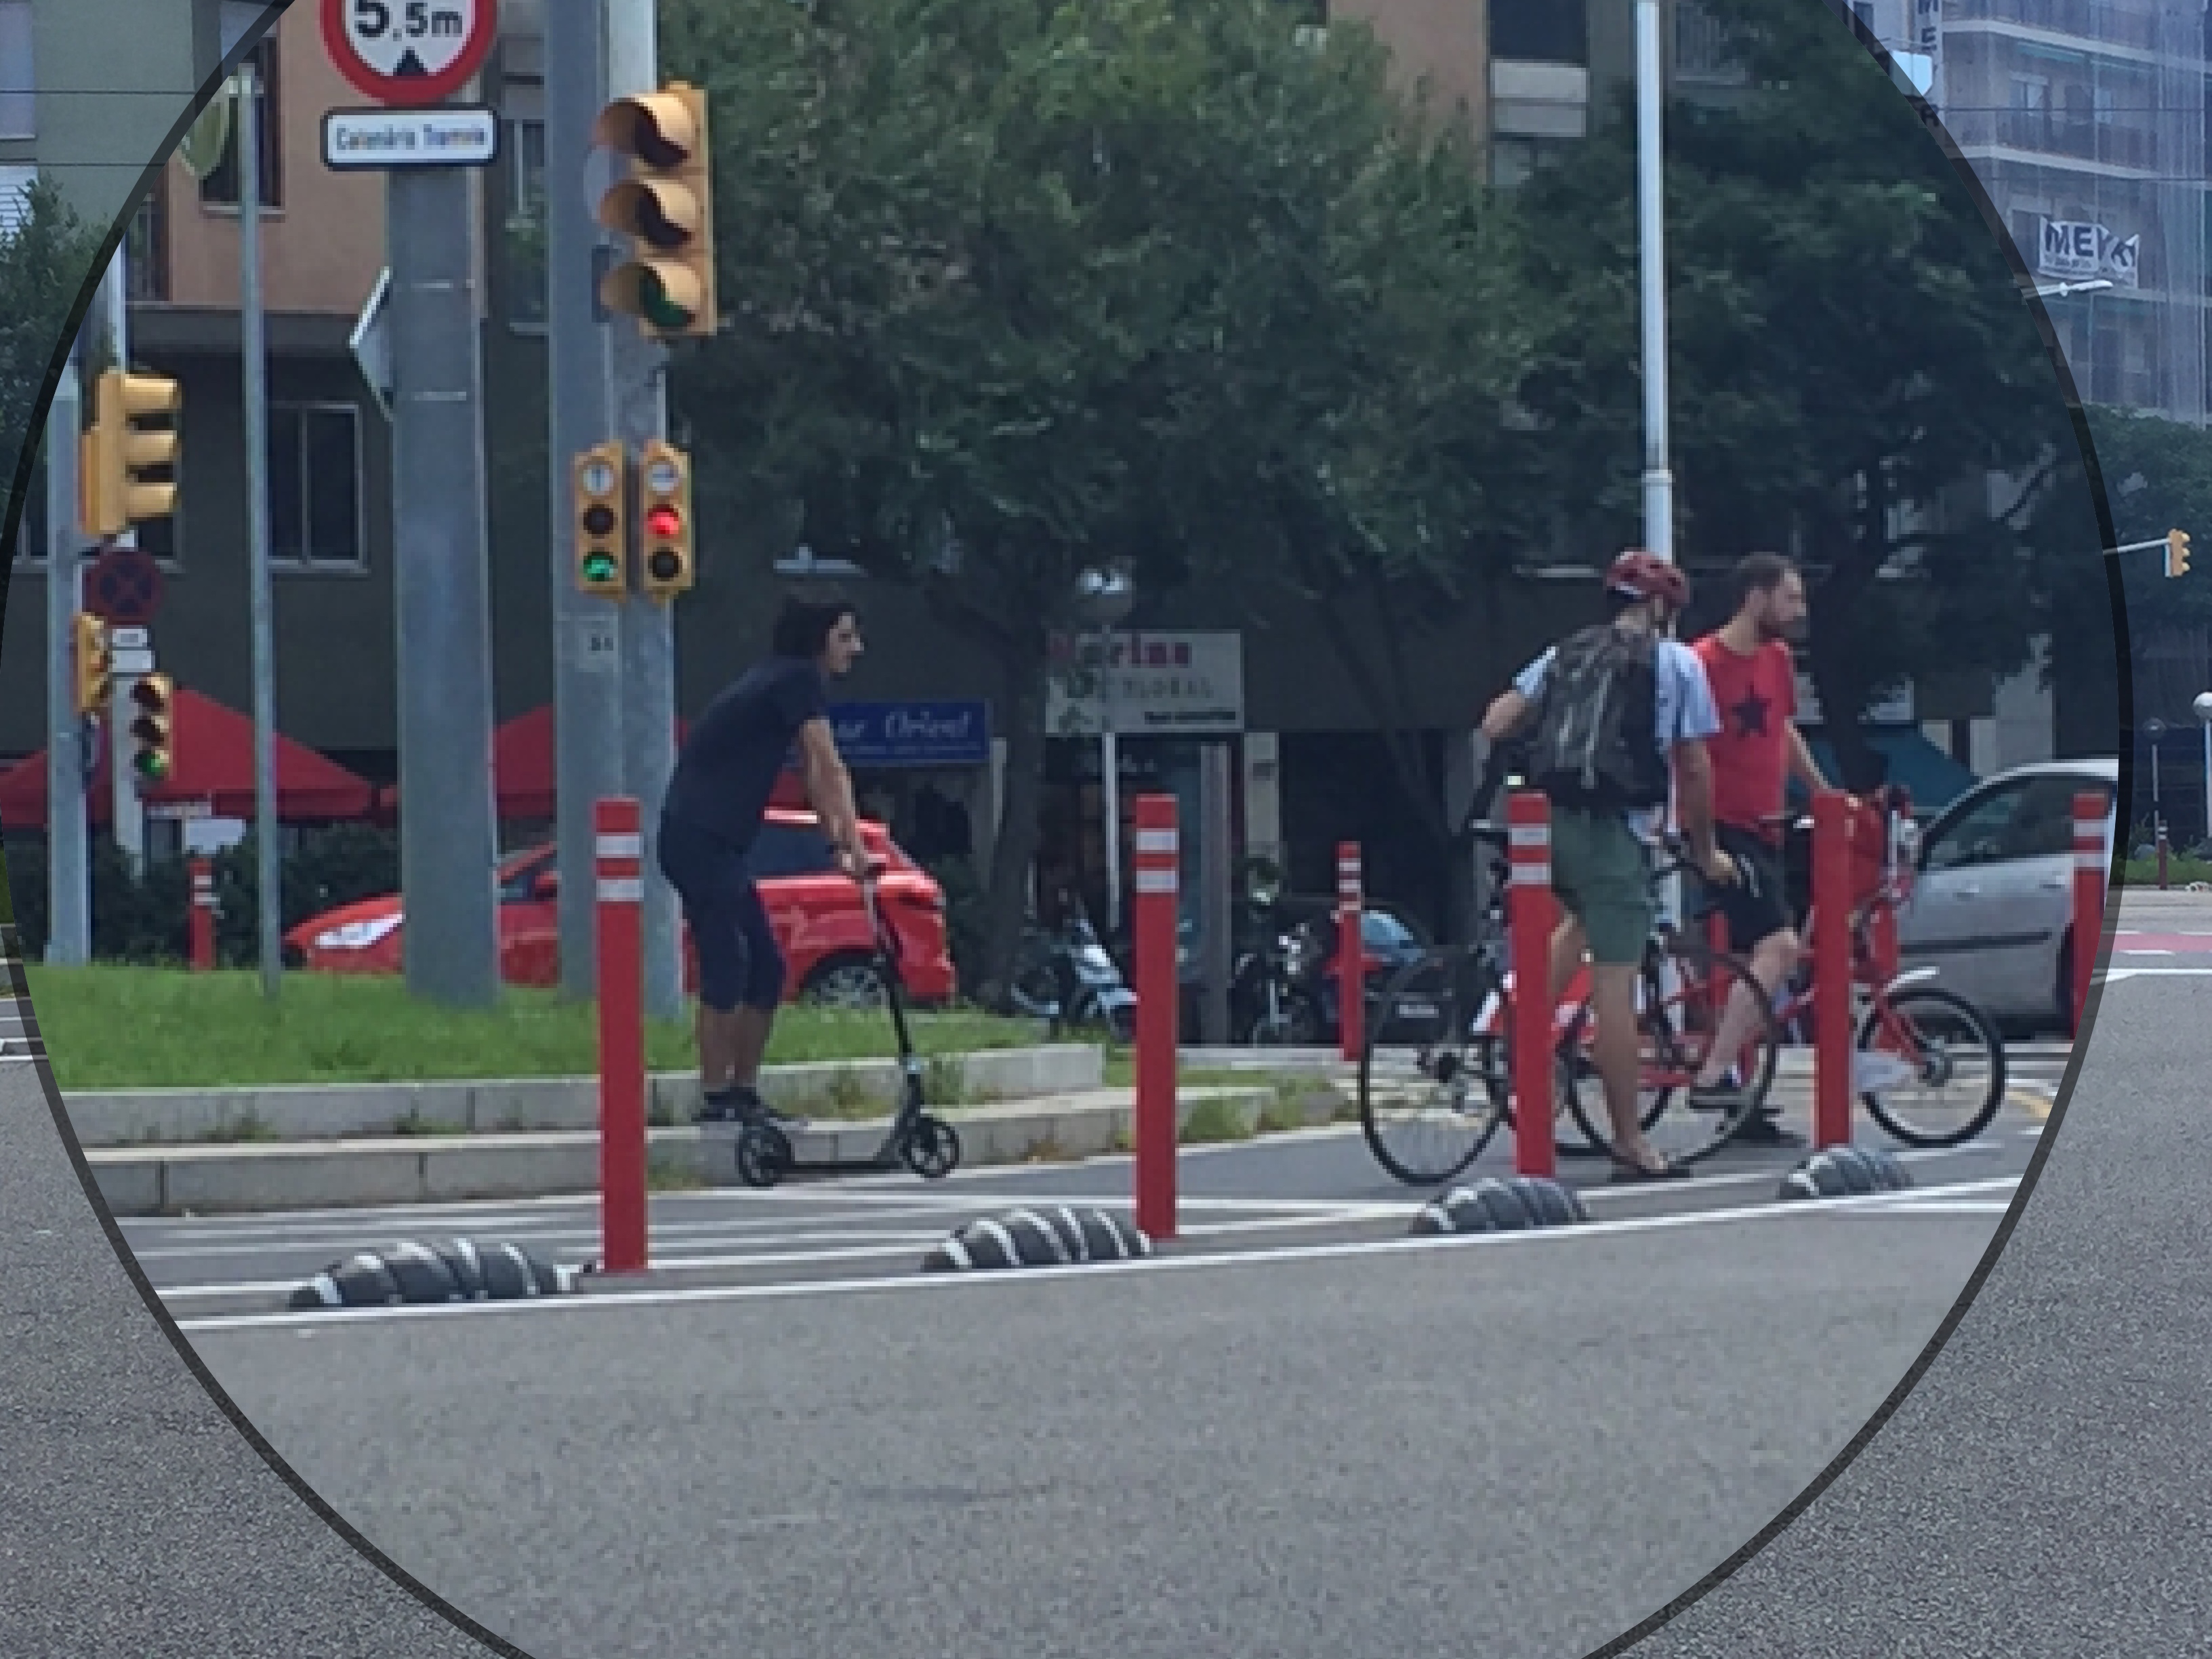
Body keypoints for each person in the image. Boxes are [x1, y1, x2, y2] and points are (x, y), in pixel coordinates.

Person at [1478, 549, 1735, 1183]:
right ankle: (1629, 1142)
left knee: (1578, 927)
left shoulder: (1566, 652)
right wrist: (1704, 851)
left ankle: (1525, 1040)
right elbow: (1696, 766)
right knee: (1615, 986)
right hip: (1615, 829)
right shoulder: (1678, 664)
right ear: (1659, 609)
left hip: (1547, 823)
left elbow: (1497, 720)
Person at [658, 595, 870, 1125]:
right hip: (697, 838)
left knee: (768, 968)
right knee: (727, 961)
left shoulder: (779, 681)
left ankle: (742, 1092)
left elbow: (815, 777)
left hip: (717, 843)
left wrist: (836, 845)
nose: (856, 649)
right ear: (818, 639)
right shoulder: (795, 680)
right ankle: (715, 1097)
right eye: (845, 637)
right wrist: (856, 852)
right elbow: (829, 766)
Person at [1685, 552, 1836, 1147]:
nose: (1799, 611)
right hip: (1722, 826)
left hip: (1767, 824)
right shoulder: (1703, 663)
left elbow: (1783, 730)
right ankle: (1714, 1074)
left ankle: (1742, 1101)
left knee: (1757, 962)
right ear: (1756, 596)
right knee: (1779, 946)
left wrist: (1824, 794)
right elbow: (1689, 753)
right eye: (1791, 598)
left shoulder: (1776, 661)